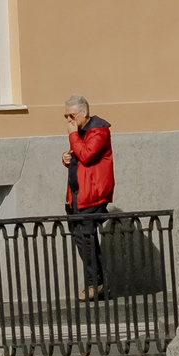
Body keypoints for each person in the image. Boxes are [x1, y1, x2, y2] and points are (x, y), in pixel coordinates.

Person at [63, 96, 115, 300]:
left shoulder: (99, 131)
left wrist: (73, 136)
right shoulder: (81, 133)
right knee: (82, 239)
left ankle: (97, 284)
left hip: (92, 196)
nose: (69, 120)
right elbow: (79, 160)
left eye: (72, 115)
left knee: (86, 238)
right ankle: (97, 284)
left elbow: (87, 155)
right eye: (66, 116)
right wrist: (66, 158)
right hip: (77, 196)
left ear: (83, 113)